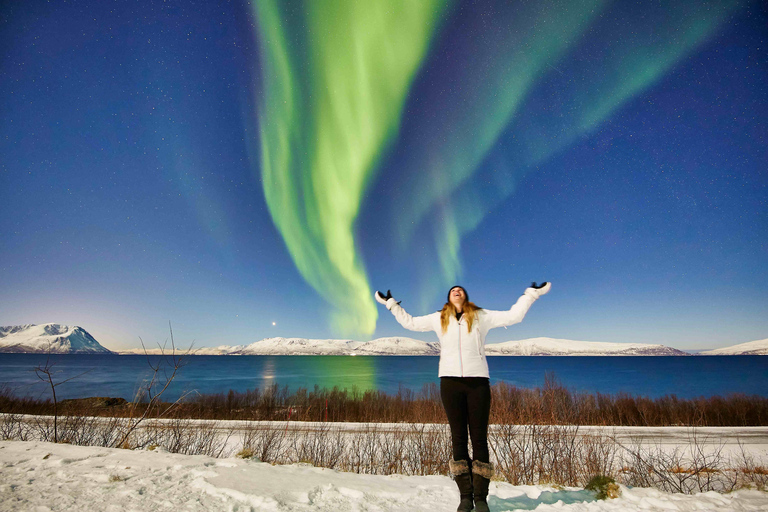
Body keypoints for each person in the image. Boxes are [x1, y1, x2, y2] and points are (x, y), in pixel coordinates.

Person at [375, 282, 551, 512]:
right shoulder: (438, 318)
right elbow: (410, 323)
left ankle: (481, 498)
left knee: (479, 438)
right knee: (458, 438)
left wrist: (531, 294)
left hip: (478, 383)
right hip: (450, 383)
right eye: (452, 290)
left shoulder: (481, 316)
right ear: (448, 298)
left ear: (466, 296)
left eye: (460, 290)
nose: (456, 291)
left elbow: (514, 316)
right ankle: (465, 497)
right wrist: (390, 303)